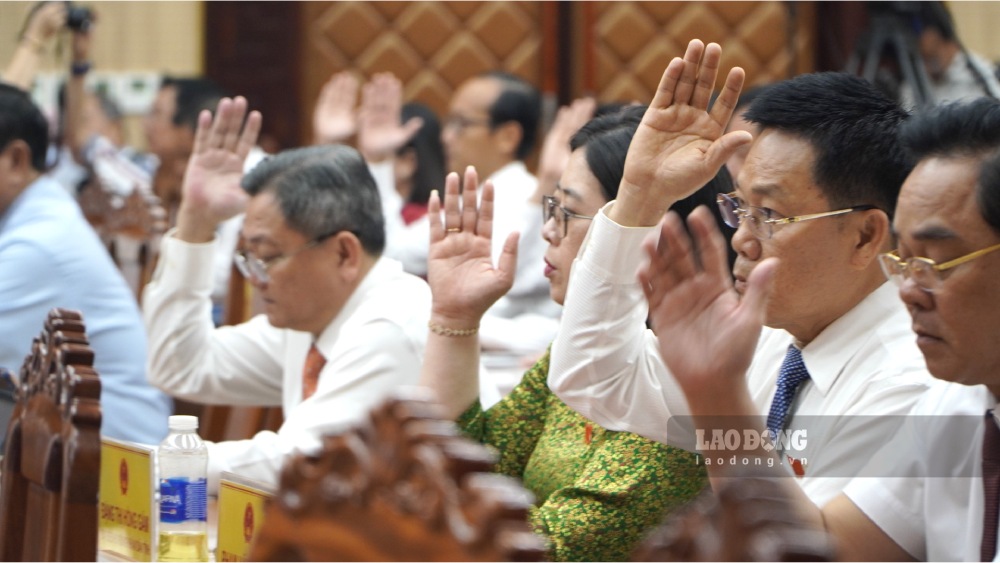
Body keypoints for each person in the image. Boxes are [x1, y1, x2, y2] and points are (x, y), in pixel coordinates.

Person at [547, 39, 933, 505]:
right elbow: (594, 379)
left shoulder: (907, 385)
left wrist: (720, 391)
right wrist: (639, 194)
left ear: (866, 236)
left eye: (768, 215)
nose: (741, 240)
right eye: (739, 208)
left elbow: (797, 552)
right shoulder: (773, 339)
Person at [640, 95, 1000, 562]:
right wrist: (716, 389)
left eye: (934, 261)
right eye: (904, 260)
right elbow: (827, 546)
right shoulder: (956, 405)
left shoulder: (910, 377)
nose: (908, 290)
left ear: (865, 235)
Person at [420, 105, 733, 561]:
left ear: (643, 232)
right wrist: (454, 317)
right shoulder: (577, 349)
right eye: (552, 206)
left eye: (568, 212)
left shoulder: (677, 402)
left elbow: (521, 554)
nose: (548, 230)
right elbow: (468, 462)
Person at [141, 96, 431, 492]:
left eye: (269, 257)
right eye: (250, 258)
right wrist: (195, 221)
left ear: (344, 253)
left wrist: (165, 465)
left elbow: (305, 461)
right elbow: (179, 365)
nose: (256, 279)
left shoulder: (391, 323)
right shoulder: (314, 318)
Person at [0, 82, 171, 444]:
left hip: (119, 472)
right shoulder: (30, 217)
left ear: (16, 160)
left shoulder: (37, 245)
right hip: (59, 451)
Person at [898, 1, 1000, 109]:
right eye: (923, 59)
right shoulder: (911, 86)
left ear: (949, 43)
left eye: (931, 57)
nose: (927, 67)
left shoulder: (980, 75)